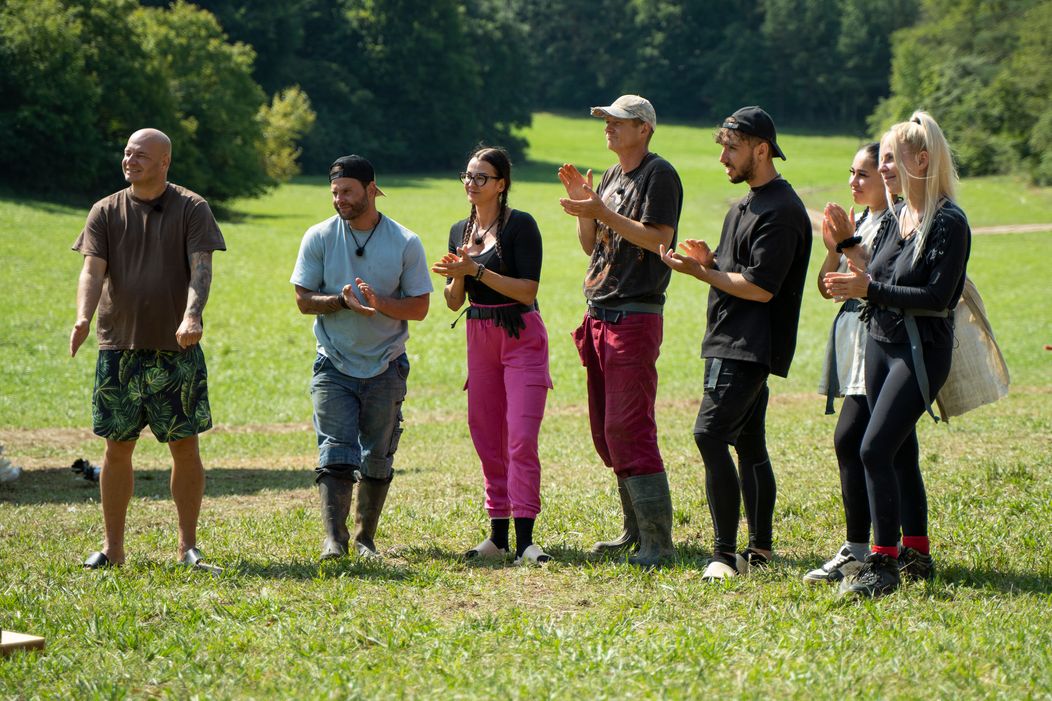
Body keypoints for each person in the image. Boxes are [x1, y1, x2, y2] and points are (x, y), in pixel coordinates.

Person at [661, 106, 811, 580]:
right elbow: (733, 268)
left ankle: (724, 556)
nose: (724, 156)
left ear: (761, 150)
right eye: (722, 146)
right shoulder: (744, 205)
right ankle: (760, 550)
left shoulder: (782, 211)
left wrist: (703, 271)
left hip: (749, 345)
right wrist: (707, 261)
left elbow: (761, 287)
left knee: (709, 435)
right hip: (726, 341)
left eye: (732, 146)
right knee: (749, 443)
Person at [824, 111, 970, 597]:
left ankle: (882, 565)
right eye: (882, 159)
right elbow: (879, 272)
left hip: (921, 351)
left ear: (922, 160)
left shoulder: (949, 221)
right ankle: (917, 554)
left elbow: (937, 298)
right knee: (901, 453)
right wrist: (847, 250)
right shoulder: (897, 217)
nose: (883, 167)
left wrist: (868, 288)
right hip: (882, 345)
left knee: (873, 447)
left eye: (891, 159)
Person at [70, 128, 226, 569]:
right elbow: (91, 271)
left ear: (164, 163)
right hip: (118, 346)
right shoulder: (105, 210)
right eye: (127, 153)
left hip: (175, 348)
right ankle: (113, 549)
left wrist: (192, 315)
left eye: (141, 155)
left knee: (184, 445)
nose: (130, 160)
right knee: (116, 448)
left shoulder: (192, 208)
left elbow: (202, 270)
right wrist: (83, 316)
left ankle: (187, 547)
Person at [558, 95, 683, 567]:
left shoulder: (660, 175)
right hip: (599, 312)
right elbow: (592, 245)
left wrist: (602, 212)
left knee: (628, 426)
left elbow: (658, 240)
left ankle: (659, 544)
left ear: (644, 128)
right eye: (605, 120)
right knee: (607, 431)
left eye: (617, 121)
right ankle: (635, 532)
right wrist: (586, 211)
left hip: (634, 314)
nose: (607, 126)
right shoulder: (611, 176)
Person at [291, 155, 431, 561]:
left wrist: (378, 303)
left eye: (348, 192)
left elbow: (419, 307)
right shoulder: (318, 236)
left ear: (372, 189)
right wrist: (340, 302)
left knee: (378, 454)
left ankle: (365, 538)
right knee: (335, 449)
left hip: (386, 363)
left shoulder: (405, 242)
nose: (340, 200)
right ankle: (334, 540)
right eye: (335, 192)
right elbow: (303, 300)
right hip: (332, 362)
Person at [431, 146, 553, 566]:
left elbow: (527, 290)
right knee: (486, 435)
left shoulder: (521, 226)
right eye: (467, 176)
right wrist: (456, 278)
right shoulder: (458, 230)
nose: (471, 183)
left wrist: (476, 271)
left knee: (520, 438)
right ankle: (497, 537)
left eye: (481, 177)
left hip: (521, 335)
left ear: (501, 184)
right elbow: (451, 302)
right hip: (478, 334)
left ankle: (526, 541)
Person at [803, 142, 898, 584]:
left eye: (863, 174)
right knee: (869, 446)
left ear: (885, 177)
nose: (853, 182)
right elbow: (828, 288)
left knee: (856, 442)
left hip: (884, 348)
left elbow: (880, 283)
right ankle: (877, 547)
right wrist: (832, 248)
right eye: (851, 172)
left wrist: (848, 245)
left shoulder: (895, 223)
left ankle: (872, 550)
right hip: (857, 349)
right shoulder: (860, 221)